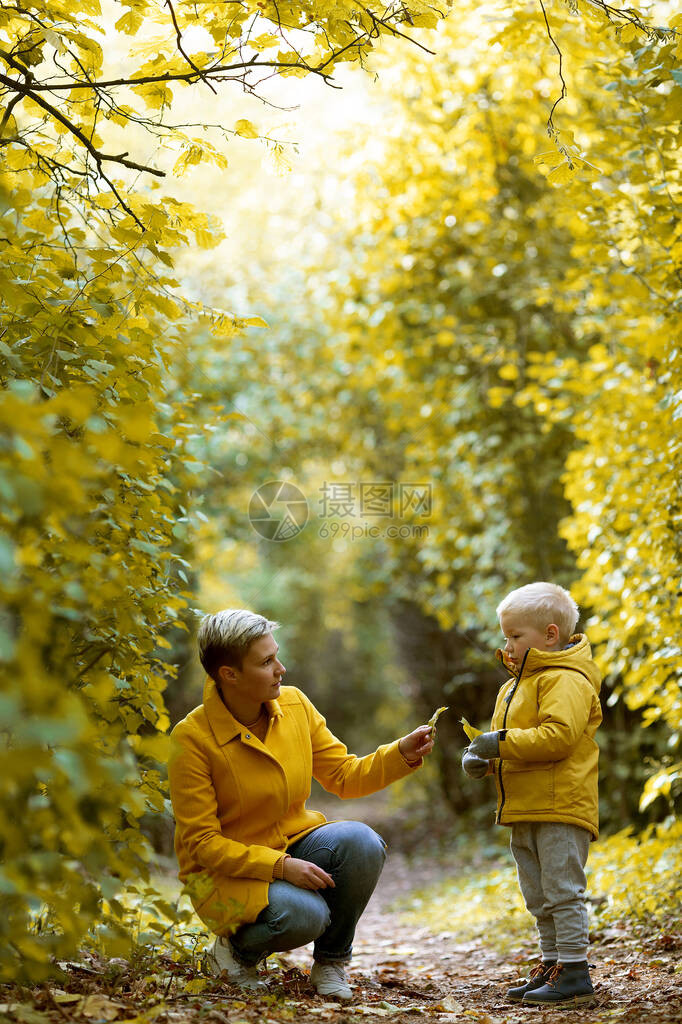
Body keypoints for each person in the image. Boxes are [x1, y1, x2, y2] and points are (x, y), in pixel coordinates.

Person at [168, 609, 434, 1002]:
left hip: (294, 845)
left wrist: (400, 754)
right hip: (227, 875)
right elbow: (202, 843)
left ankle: (331, 965)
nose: (281, 668)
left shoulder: (294, 705)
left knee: (361, 841)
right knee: (306, 915)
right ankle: (232, 955)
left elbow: (343, 775)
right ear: (229, 675)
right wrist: (280, 867)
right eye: (266, 662)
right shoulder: (191, 739)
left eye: (276, 655)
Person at [461, 582, 602, 1007]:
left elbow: (557, 737)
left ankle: (575, 970)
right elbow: (509, 743)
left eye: (515, 636)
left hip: (561, 804)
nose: (507, 645)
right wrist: (482, 759)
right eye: (506, 636)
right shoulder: (512, 687)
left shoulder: (566, 679)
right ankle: (553, 962)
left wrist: (498, 743)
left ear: (550, 634)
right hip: (523, 806)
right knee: (537, 894)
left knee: (562, 889)